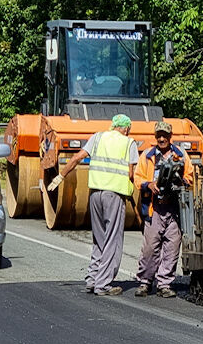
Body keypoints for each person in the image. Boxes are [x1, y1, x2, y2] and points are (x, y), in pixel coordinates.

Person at [47, 114, 139, 295]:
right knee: (113, 240)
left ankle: (92, 279)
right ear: (126, 129)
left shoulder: (97, 137)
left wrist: (61, 176)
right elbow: (131, 173)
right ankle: (103, 285)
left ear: (113, 126)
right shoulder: (129, 143)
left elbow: (76, 158)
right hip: (114, 195)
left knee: (99, 238)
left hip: (95, 194)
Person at [132, 121, 196, 298]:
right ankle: (145, 282)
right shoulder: (147, 155)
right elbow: (137, 178)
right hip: (155, 208)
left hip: (175, 208)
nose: (162, 139)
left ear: (170, 137)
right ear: (155, 137)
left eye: (165, 136)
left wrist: (182, 182)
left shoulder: (180, 154)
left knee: (172, 247)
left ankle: (164, 284)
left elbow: (190, 175)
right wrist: (149, 184)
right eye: (159, 136)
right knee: (150, 247)